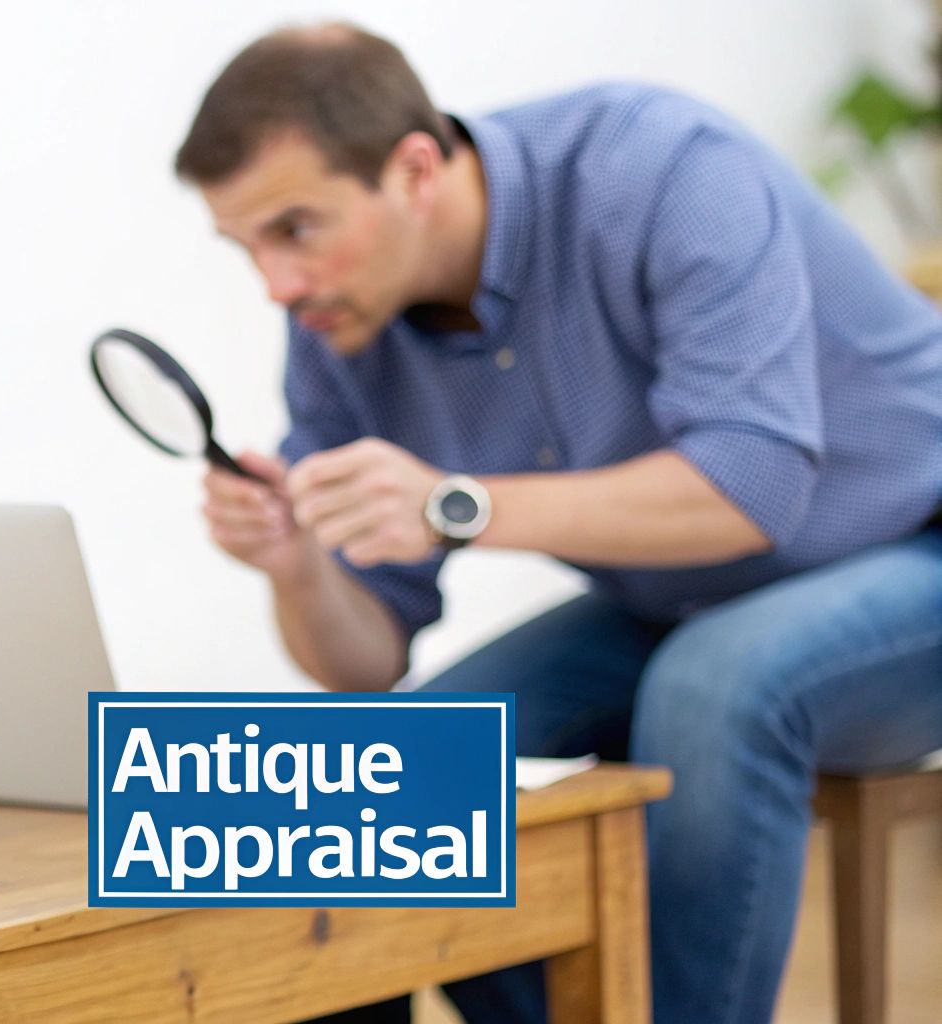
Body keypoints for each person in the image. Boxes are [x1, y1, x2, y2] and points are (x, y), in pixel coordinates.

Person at [180, 22, 942, 1024]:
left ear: (414, 170)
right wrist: (295, 567)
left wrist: (452, 505)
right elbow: (364, 666)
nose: (277, 286)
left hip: (911, 545)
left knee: (714, 684)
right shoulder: (335, 325)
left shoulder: (662, 170)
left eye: (295, 229)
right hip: (679, 602)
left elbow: (750, 482)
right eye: (246, 248)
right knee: (384, 776)